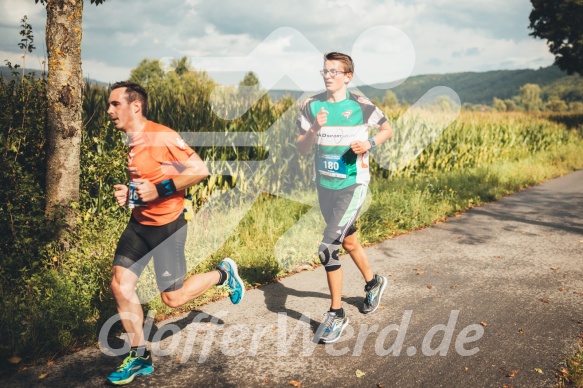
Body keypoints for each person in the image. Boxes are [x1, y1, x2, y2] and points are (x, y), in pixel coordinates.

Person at [105, 81, 245, 385]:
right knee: (120, 286)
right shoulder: (131, 138)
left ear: (135, 106)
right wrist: (129, 193)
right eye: (109, 104)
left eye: (115, 104)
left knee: (173, 298)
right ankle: (139, 356)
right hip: (139, 225)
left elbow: (198, 170)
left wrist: (157, 189)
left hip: (168, 227)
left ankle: (223, 274)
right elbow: (151, 178)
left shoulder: (161, 136)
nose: (109, 110)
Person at [296, 52, 394, 343]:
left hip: (353, 184)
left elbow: (388, 128)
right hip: (324, 186)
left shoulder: (360, 105)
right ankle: (374, 283)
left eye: (334, 72)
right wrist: (315, 127)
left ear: (348, 76)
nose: (328, 76)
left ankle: (336, 313)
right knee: (348, 240)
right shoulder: (311, 105)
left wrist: (370, 143)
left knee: (328, 248)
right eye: (325, 71)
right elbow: (301, 148)